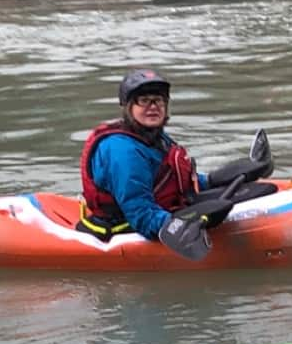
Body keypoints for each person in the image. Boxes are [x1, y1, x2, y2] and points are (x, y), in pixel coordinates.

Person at [77, 68, 214, 242]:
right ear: (129, 106)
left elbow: (174, 180)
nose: (153, 107)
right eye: (144, 100)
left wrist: (214, 180)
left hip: (157, 211)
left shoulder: (154, 138)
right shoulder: (123, 151)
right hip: (125, 228)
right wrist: (187, 223)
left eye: (158, 100)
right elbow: (142, 216)